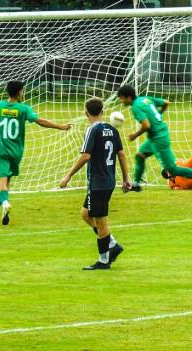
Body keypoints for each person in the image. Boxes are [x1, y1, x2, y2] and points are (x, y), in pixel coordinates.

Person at [0, 80, 72, 225]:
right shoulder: (23, 109)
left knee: (1, 182)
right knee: (6, 182)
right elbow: (40, 121)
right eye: (22, 90)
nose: (23, 93)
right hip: (16, 152)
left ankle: (5, 203)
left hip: (1, 150)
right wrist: (61, 126)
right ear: (18, 92)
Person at [60, 98, 130, 270]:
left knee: (101, 222)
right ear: (102, 112)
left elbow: (85, 156)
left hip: (98, 183)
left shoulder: (92, 129)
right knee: (85, 214)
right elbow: (121, 154)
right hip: (108, 181)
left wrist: (67, 176)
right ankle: (112, 244)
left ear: (86, 113)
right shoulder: (112, 129)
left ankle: (104, 260)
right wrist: (126, 178)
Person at [117, 85, 192, 194]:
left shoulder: (135, 107)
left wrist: (135, 135)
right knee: (140, 155)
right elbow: (166, 102)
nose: (121, 101)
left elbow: (146, 125)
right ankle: (136, 184)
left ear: (128, 97)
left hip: (159, 139)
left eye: (122, 98)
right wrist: (158, 115)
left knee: (173, 170)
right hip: (156, 136)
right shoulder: (145, 99)